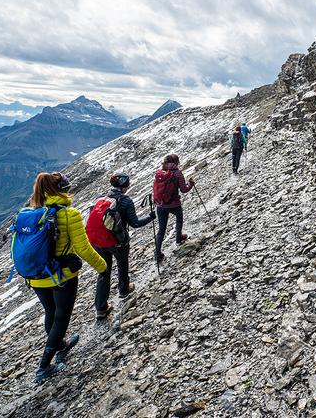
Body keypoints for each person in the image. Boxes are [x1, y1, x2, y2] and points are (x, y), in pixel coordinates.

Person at [26, 172, 107, 383]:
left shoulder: (32, 213)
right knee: (62, 317)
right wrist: (102, 267)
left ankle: (60, 345)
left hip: (36, 276)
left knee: (50, 312)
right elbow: (83, 248)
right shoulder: (69, 214)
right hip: (61, 276)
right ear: (62, 190)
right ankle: (44, 366)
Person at [92, 173, 155, 320]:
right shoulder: (126, 200)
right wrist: (151, 217)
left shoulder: (103, 199)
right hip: (117, 241)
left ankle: (101, 308)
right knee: (122, 264)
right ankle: (124, 289)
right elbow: (135, 223)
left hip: (98, 242)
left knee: (103, 272)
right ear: (125, 185)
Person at [153, 154, 194, 262]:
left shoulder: (160, 173)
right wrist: (191, 184)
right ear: (176, 162)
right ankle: (178, 238)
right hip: (174, 204)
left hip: (160, 205)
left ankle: (157, 254)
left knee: (161, 230)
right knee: (179, 218)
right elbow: (184, 190)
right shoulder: (177, 173)